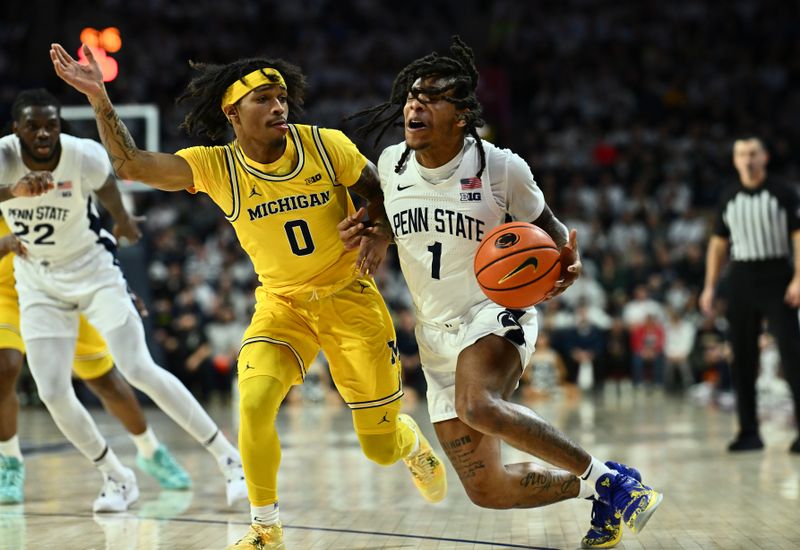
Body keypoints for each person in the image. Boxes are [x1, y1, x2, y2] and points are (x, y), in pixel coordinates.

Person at [51, 44, 447, 549]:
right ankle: (266, 528)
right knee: (254, 402)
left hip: (349, 298)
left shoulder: (326, 146)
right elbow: (129, 166)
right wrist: (99, 97)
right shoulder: (218, 167)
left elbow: (381, 192)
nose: (279, 107)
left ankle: (409, 442)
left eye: (282, 97)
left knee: (380, 450)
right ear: (232, 112)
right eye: (264, 99)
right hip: (282, 306)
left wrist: (379, 231)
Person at [341, 37, 662, 549]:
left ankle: (612, 482)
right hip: (434, 333)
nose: (414, 105)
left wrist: (568, 261)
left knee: (479, 404)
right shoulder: (392, 164)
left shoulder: (500, 167)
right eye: (410, 96)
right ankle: (595, 489)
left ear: (463, 115)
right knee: (487, 489)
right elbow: (387, 208)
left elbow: (552, 230)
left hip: (494, 313)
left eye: (431, 97)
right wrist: (377, 229)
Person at [0, 88, 246, 512]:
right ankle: (116, 476)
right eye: (33, 126)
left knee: (135, 367)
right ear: (16, 130)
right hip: (38, 282)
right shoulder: (4, 157)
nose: (43, 133)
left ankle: (230, 460)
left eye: (51, 125)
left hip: (93, 274)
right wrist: (13, 191)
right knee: (52, 391)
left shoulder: (84, 155)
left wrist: (125, 221)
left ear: (60, 125)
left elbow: (111, 196)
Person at [0, 219, 191, 503]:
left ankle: (150, 451)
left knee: (106, 380)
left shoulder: (47, 182)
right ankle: (10, 462)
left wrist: (120, 285)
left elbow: (90, 235)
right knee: (4, 366)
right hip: (5, 294)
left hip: (58, 285)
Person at [700, 137, 800, 453]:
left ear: (765, 157)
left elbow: (798, 236)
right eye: (742, 154)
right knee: (742, 357)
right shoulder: (728, 196)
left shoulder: (782, 192)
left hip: (778, 276)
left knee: (792, 355)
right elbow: (718, 245)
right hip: (741, 277)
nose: (748, 159)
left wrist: (799, 277)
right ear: (735, 160)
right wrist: (709, 287)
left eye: (753, 153)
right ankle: (748, 432)